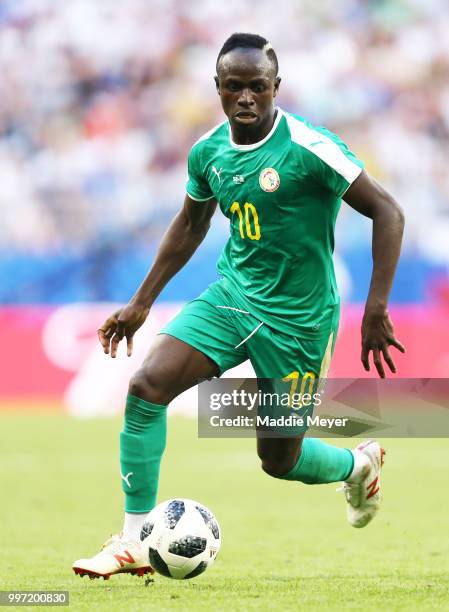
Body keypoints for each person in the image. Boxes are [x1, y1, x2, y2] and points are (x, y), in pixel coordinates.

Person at [73, 33, 405, 579]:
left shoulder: (308, 147)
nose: (246, 97)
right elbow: (189, 225)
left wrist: (376, 308)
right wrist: (140, 303)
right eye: (234, 87)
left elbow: (387, 212)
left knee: (279, 460)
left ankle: (357, 463)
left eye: (257, 87)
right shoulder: (209, 152)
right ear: (219, 89)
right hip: (233, 298)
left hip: (299, 320)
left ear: (276, 87)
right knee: (146, 386)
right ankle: (132, 541)